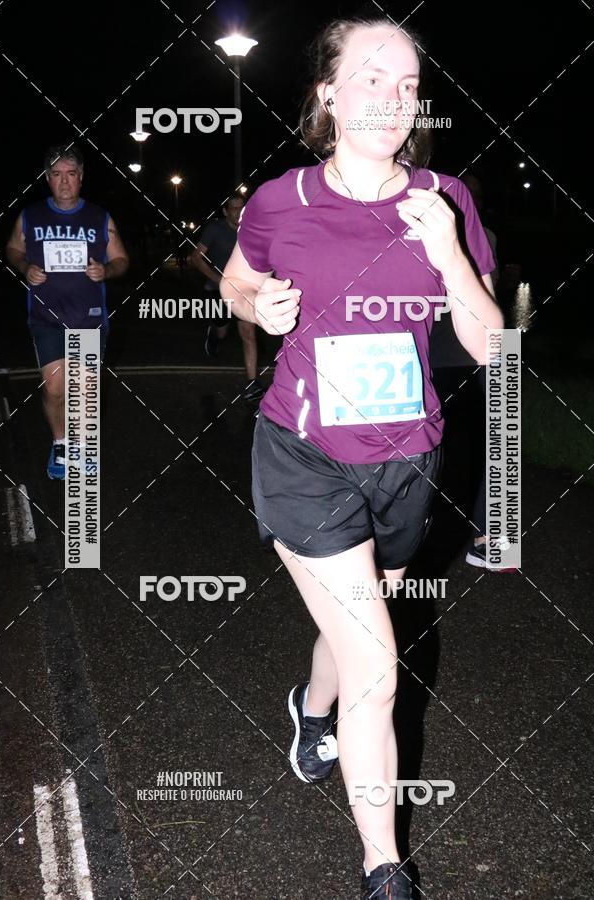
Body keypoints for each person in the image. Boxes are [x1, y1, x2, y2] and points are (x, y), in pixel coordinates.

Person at [222, 15, 503, 900]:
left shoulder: (446, 199)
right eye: (371, 79)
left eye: (407, 84)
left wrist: (447, 253)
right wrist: (258, 304)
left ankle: (311, 711)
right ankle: (384, 870)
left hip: (407, 461)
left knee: (359, 626)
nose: (392, 98)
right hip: (304, 457)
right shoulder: (282, 200)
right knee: (378, 667)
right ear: (329, 95)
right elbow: (237, 278)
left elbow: (491, 345)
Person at [5, 144, 129, 480]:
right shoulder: (30, 215)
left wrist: (106, 270)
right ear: (47, 178)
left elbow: (121, 259)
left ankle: (83, 448)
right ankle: (61, 444)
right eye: (57, 174)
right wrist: (25, 267)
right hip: (46, 318)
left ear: (81, 177)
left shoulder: (99, 217)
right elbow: (13, 249)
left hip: (87, 318)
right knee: (55, 389)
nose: (64, 181)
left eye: (71, 174)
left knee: (85, 390)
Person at [430, 172, 515, 570]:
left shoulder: (485, 237)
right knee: (493, 443)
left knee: (492, 442)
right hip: (453, 351)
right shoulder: (485, 236)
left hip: (466, 351)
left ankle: (492, 538)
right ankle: (490, 540)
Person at [193, 194, 264, 403]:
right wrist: (217, 279)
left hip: (244, 290)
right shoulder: (214, 229)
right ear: (225, 211)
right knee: (222, 331)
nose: (239, 212)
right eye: (234, 208)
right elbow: (195, 257)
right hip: (218, 289)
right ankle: (214, 334)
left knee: (248, 333)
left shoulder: (252, 229)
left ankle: (252, 384)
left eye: (242, 207)